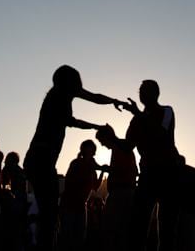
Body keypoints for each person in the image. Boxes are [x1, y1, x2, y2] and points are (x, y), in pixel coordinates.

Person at [23, 65, 128, 251]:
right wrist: (95, 126)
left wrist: (113, 101)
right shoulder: (55, 98)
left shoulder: (64, 95)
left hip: (41, 160)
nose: (80, 87)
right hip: (40, 159)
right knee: (49, 215)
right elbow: (72, 122)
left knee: (49, 214)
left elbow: (94, 97)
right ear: (69, 83)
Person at [121, 80, 182, 251]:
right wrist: (110, 137)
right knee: (138, 225)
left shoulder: (166, 111)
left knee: (167, 228)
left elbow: (161, 134)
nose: (141, 93)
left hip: (169, 174)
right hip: (147, 174)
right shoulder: (136, 121)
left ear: (156, 93)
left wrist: (138, 114)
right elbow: (127, 146)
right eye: (140, 90)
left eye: (145, 90)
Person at [95, 124, 138, 251]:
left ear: (107, 137)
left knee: (111, 229)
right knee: (122, 229)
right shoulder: (123, 147)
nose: (102, 145)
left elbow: (126, 170)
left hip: (120, 193)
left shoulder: (120, 147)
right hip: (126, 192)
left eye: (101, 141)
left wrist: (109, 169)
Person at [57, 139, 103, 251]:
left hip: (81, 206)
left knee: (79, 238)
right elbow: (70, 182)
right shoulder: (76, 163)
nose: (93, 152)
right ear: (85, 149)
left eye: (93, 149)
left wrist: (102, 171)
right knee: (68, 236)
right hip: (69, 204)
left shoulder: (92, 168)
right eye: (91, 149)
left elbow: (95, 187)